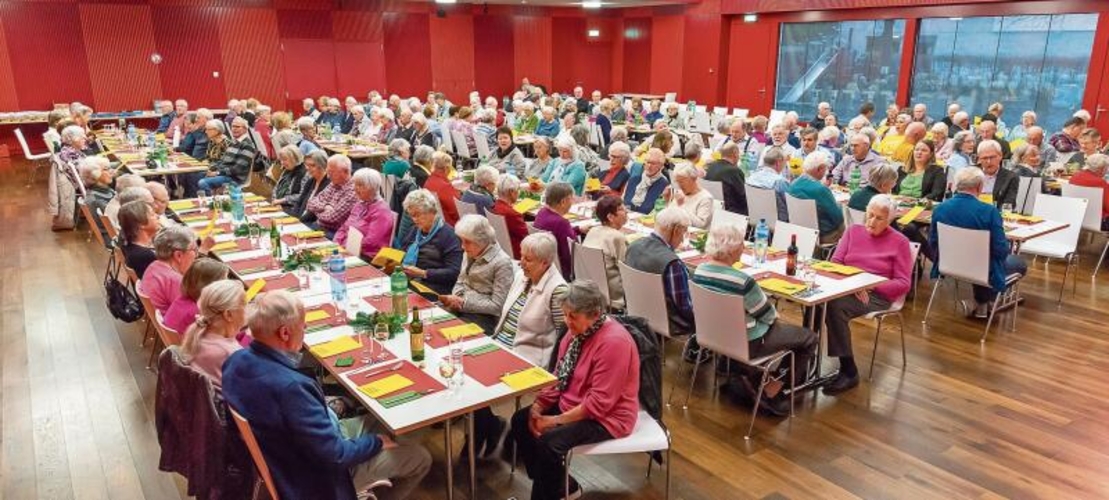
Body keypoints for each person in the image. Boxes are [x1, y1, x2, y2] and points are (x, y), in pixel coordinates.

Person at [222, 291, 431, 499]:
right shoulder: (291, 388)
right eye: (302, 324)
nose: (305, 329)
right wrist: (374, 442)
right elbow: (336, 456)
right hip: (317, 480)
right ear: (284, 333)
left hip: (288, 455)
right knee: (421, 457)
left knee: (391, 424)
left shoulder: (235, 361)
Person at [508, 280, 638, 500]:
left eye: (573, 316)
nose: (567, 322)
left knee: (549, 443)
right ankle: (559, 485)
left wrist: (553, 421)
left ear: (595, 314)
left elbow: (600, 403)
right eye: (565, 314)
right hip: (574, 404)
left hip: (607, 417)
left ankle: (547, 491)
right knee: (521, 421)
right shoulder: (574, 334)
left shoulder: (614, 343)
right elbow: (558, 378)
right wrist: (538, 407)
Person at [690, 225, 817, 411]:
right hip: (746, 343)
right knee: (809, 338)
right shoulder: (743, 281)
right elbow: (769, 316)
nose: (744, 247)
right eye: (742, 243)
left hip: (712, 336)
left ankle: (749, 377)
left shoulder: (700, 271)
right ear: (732, 249)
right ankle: (777, 388)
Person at [822, 195, 913, 394]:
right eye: (870, 215)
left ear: (889, 220)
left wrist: (869, 284)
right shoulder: (853, 231)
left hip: (878, 295)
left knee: (833, 306)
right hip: (848, 286)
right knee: (817, 302)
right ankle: (806, 361)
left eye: (879, 218)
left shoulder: (900, 242)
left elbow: (903, 284)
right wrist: (855, 282)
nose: (871, 221)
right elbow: (835, 262)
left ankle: (849, 370)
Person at [930, 167, 1027, 318]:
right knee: (1018, 263)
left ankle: (981, 303)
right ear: (980, 187)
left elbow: (933, 242)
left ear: (956, 185)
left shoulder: (940, 209)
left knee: (985, 259)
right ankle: (984, 302)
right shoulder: (989, 212)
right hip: (980, 270)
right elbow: (1001, 250)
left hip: (948, 265)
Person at [440, 214, 514, 334]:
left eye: (467, 242)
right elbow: (460, 280)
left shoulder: (502, 263)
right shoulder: (470, 252)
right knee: (433, 321)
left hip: (484, 318)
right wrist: (456, 298)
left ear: (482, 241)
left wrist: (463, 302)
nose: (462, 246)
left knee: (450, 335)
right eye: (462, 241)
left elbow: (497, 307)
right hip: (460, 307)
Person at [625, 207, 694, 334]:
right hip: (669, 323)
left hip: (636, 313)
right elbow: (685, 307)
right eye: (683, 233)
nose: (683, 239)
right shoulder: (673, 264)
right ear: (676, 230)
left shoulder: (633, 246)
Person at [178, 280, 245, 388]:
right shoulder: (232, 353)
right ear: (228, 314)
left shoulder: (197, 335)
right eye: (244, 305)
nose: (246, 310)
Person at [398, 189, 463, 295]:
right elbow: (402, 252)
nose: (414, 219)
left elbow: (454, 272)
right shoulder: (415, 230)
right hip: (413, 281)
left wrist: (424, 273)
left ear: (432, 211)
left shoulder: (449, 236)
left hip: (435, 287)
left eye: (417, 215)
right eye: (411, 215)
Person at [334, 169, 394, 259]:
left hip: (367, 255)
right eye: (355, 184)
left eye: (360, 185)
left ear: (372, 187)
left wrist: (345, 246)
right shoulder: (360, 204)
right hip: (348, 249)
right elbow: (344, 227)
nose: (355, 188)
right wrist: (336, 242)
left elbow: (372, 241)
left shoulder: (382, 210)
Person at [788, 151, 844, 244]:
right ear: (820, 169)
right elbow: (838, 218)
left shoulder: (793, 184)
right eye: (825, 169)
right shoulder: (821, 190)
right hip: (823, 234)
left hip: (799, 231)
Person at [163, 259, 230, 336]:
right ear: (210, 285)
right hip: (187, 345)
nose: (228, 283)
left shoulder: (182, 299)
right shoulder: (198, 313)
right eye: (224, 280)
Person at [582, 195, 627, 308]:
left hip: (591, 289)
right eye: (621, 209)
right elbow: (626, 270)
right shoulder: (617, 237)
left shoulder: (593, 230)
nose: (626, 211)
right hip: (614, 297)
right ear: (610, 217)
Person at [144, 225, 200, 314]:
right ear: (178, 255)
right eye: (194, 250)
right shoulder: (176, 281)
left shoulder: (153, 266)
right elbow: (194, 313)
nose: (196, 255)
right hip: (178, 325)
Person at [198, 118, 257, 195]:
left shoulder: (247, 145)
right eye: (233, 126)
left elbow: (237, 169)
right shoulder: (234, 142)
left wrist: (217, 173)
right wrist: (212, 168)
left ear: (245, 129)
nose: (234, 129)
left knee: (202, 182)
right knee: (199, 174)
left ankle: (214, 203)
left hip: (235, 179)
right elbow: (222, 161)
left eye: (237, 127)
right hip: (226, 174)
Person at [305, 154, 357, 238]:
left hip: (333, 234)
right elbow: (310, 203)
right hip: (317, 226)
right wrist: (325, 207)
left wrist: (317, 210)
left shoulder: (353, 190)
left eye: (331, 172)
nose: (328, 176)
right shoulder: (333, 184)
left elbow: (332, 218)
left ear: (346, 172)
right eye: (328, 172)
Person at [534, 183, 578, 281]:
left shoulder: (542, 212)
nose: (573, 202)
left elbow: (557, 233)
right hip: (562, 274)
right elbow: (572, 254)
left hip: (544, 265)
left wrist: (578, 229)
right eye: (571, 198)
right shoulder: (561, 223)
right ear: (563, 202)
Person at [746, 146, 792, 222]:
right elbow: (791, 206)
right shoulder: (779, 182)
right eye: (785, 162)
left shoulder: (750, 178)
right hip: (779, 224)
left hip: (754, 220)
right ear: (778, 163)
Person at [79, 157, 116, 244]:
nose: (112, 171)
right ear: (96, 174)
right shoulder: (96, 200)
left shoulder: (104, 190)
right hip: (114, 238)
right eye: (107, 169)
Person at [490, 175, 529, 258]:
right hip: (518, 252)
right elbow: (527, 235)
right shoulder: (511, 214)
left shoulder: (495, 205)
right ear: (511, 192)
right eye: (518, 190)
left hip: (500, 248)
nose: (519, 193)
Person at [623, 148, 670, 214]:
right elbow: (622, 202)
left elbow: (659, 212)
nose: (649, 166)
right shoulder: (634, 179)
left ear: (661, 166)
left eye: (653, 163)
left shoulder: (664, 185)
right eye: (647, 162)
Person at [119, 200, 159, 277]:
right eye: (152, 215)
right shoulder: (145, 256)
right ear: (141, 224)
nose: (157, 216)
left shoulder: (128, 243)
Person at [666, 164, 714, 229]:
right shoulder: (680, 192)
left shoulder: (706, 198)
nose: (679, 185)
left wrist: (682, 206)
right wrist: (667, 200)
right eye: (677, 182)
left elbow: (701, 225)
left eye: (682, 182)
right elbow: (669, 215)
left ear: (693, 178)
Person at [1068, 153, 1109, 230]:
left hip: (1077, 216)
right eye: (1106, 168)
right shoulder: (1100, 182)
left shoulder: (1075, 177)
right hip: (1099, 221)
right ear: (1101, 169)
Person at [977, 140, 1018, 208]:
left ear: (1000, 156)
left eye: (992, 157)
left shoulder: (1011, 177)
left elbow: (1009, 204)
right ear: (979, 159)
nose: (989, 161)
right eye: (984, 158)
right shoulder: (970, 173)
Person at [291, 150, 330, 221]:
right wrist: (293, 218)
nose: (308, 168)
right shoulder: (311, 180)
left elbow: (315, 212)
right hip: (301, 218)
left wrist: (299, 221)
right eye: (307, 165)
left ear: (322, 165)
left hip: (311, 222)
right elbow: (299, 202)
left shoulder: (328, 184)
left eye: (312, 165)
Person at [424, 152, 461, 226]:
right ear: (446, 168)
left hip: (438, 222)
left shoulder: (429, 181)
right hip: (452, 225)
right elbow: (457, 211)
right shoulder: (445, 187)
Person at [273, 145, 307, 209]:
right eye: (281, 160)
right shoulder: (286, 171)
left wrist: (282, 201)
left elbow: (302, 196)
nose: (282, 163)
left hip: (293, 208)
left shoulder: (304, 173)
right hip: (279, 204)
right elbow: (276, 187)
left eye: (285, 159)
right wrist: (276, 201)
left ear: (295, 158)